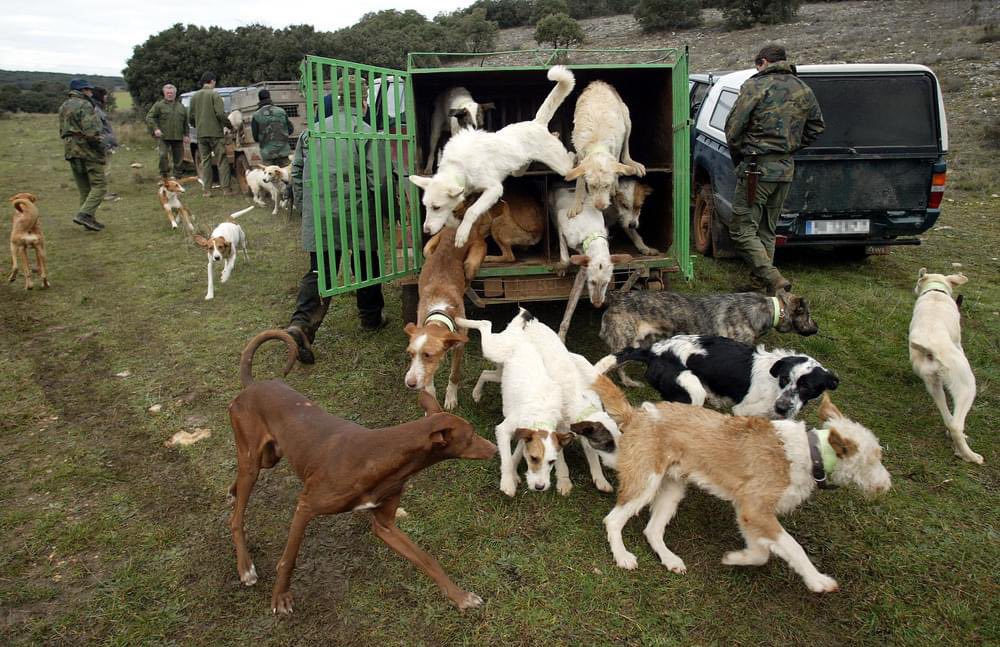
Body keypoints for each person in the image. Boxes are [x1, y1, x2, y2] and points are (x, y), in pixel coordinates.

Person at [286, 76, 388, 362]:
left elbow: (296, 174)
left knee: (321, 270)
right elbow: (378, 180)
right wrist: (384, 210)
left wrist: (309, 208)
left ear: (339, 99)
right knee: (367, 264)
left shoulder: (313, 132)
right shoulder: (366, 132)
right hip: (355, 211)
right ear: (364, 101)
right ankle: (371, 318)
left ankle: (301, 324)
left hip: (320, 214)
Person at [724, 44, 825, 295]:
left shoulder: (755, 86)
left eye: (758, 64)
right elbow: (816, 127)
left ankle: (773, 277)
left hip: (757, 169)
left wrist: (743, 152)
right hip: (785, 168)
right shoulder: (803, 88)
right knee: (766, 230)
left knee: (741, 229)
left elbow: (733, 129)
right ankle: (760, 287)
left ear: (764, 62)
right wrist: (789, 148)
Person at [59, 79, 107, 231]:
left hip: (70, 150)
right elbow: (91, 132)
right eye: (88, 89)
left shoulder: (64, 105)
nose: (91, 92)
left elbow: (62, 130)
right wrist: (100, 146)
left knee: (84, 188)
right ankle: (84, 214)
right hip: (86, 149)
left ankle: (89, 221)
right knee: (99, 186)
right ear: (82, 90)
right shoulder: (85, 105)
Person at [189, 72, 234, 197]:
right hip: (215, 133)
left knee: (205, 161)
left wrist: (198, 125)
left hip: (201, 134)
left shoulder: (194, 97)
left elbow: (191, 117)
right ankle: (226, 189)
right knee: (222, 160)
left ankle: (207, 190)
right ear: (212, 81)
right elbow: (220, 114)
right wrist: (229, 125)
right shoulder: (214, 95)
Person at [145, 83, 189, 181]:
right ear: (164, 93)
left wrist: (186, 135)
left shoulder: (181, 107)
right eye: (168, 93)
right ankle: (163, 174)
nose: (170, 95)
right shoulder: (159, 105)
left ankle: (177, 176)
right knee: (163, 155)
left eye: (172, 93)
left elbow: (186, 122)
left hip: (178, 136)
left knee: (179, 157)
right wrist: (156, 128)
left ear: (175, 94)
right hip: (164, 136)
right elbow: (149, 117)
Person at [251, 88, 293, 167]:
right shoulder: (281, 111)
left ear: (259, 99)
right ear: (270, 97)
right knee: (286, 177)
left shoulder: (256, 115)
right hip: (283, 152)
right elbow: (290, 129)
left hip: (267, 154)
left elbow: (255, 137)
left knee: (269, 177)